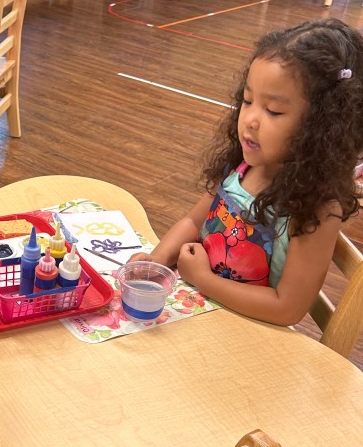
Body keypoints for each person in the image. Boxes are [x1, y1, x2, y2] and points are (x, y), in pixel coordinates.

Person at [130, 18, 363, 325]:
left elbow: (286, 308)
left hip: (249, 331)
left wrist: (203, 279)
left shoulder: (316, 207)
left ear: (323, 126)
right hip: (202, 311)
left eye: (273, 110)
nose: (250, 119)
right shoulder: (242, 167)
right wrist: (158, 260)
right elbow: (193, 221)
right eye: (248, 100)